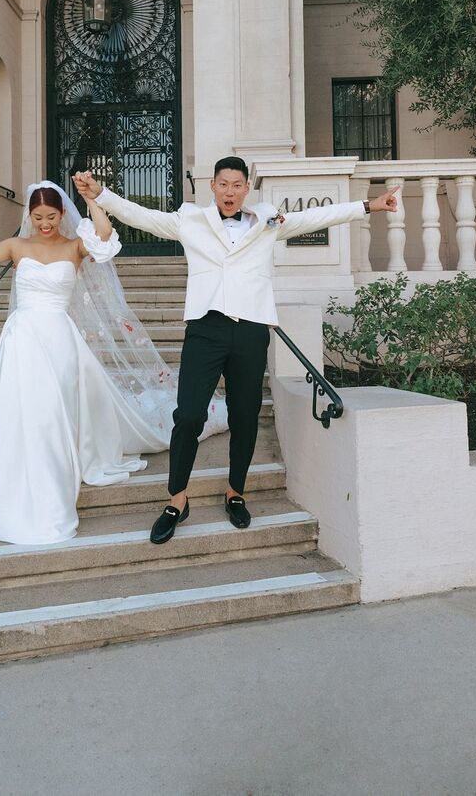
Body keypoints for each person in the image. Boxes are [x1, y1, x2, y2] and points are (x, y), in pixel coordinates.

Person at [73, 159, 399, 545]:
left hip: (251, 330)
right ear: (212, 185)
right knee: (188, 414)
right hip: (205, 329)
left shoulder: (267, 220)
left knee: (244, 416)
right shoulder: (190, 219)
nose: (229, 191)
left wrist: (368, 206)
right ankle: (177, 499)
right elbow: (143, 216)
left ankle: (235, 492)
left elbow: (316, 217)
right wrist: (102, 196)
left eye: (237, 185)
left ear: (247, 188)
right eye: (223, 184)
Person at [0, 180, 224, 546]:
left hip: (61, 340)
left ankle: (54, 490)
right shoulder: (17, 245)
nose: (45, 223)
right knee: (23, 413)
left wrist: (92, 200)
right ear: (29, 217)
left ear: (62, 213)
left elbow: (105, 235)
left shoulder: (75, 246)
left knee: (54, 414)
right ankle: (18, 483)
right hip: (21, 341)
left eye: (51, 216)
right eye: (38, 217)